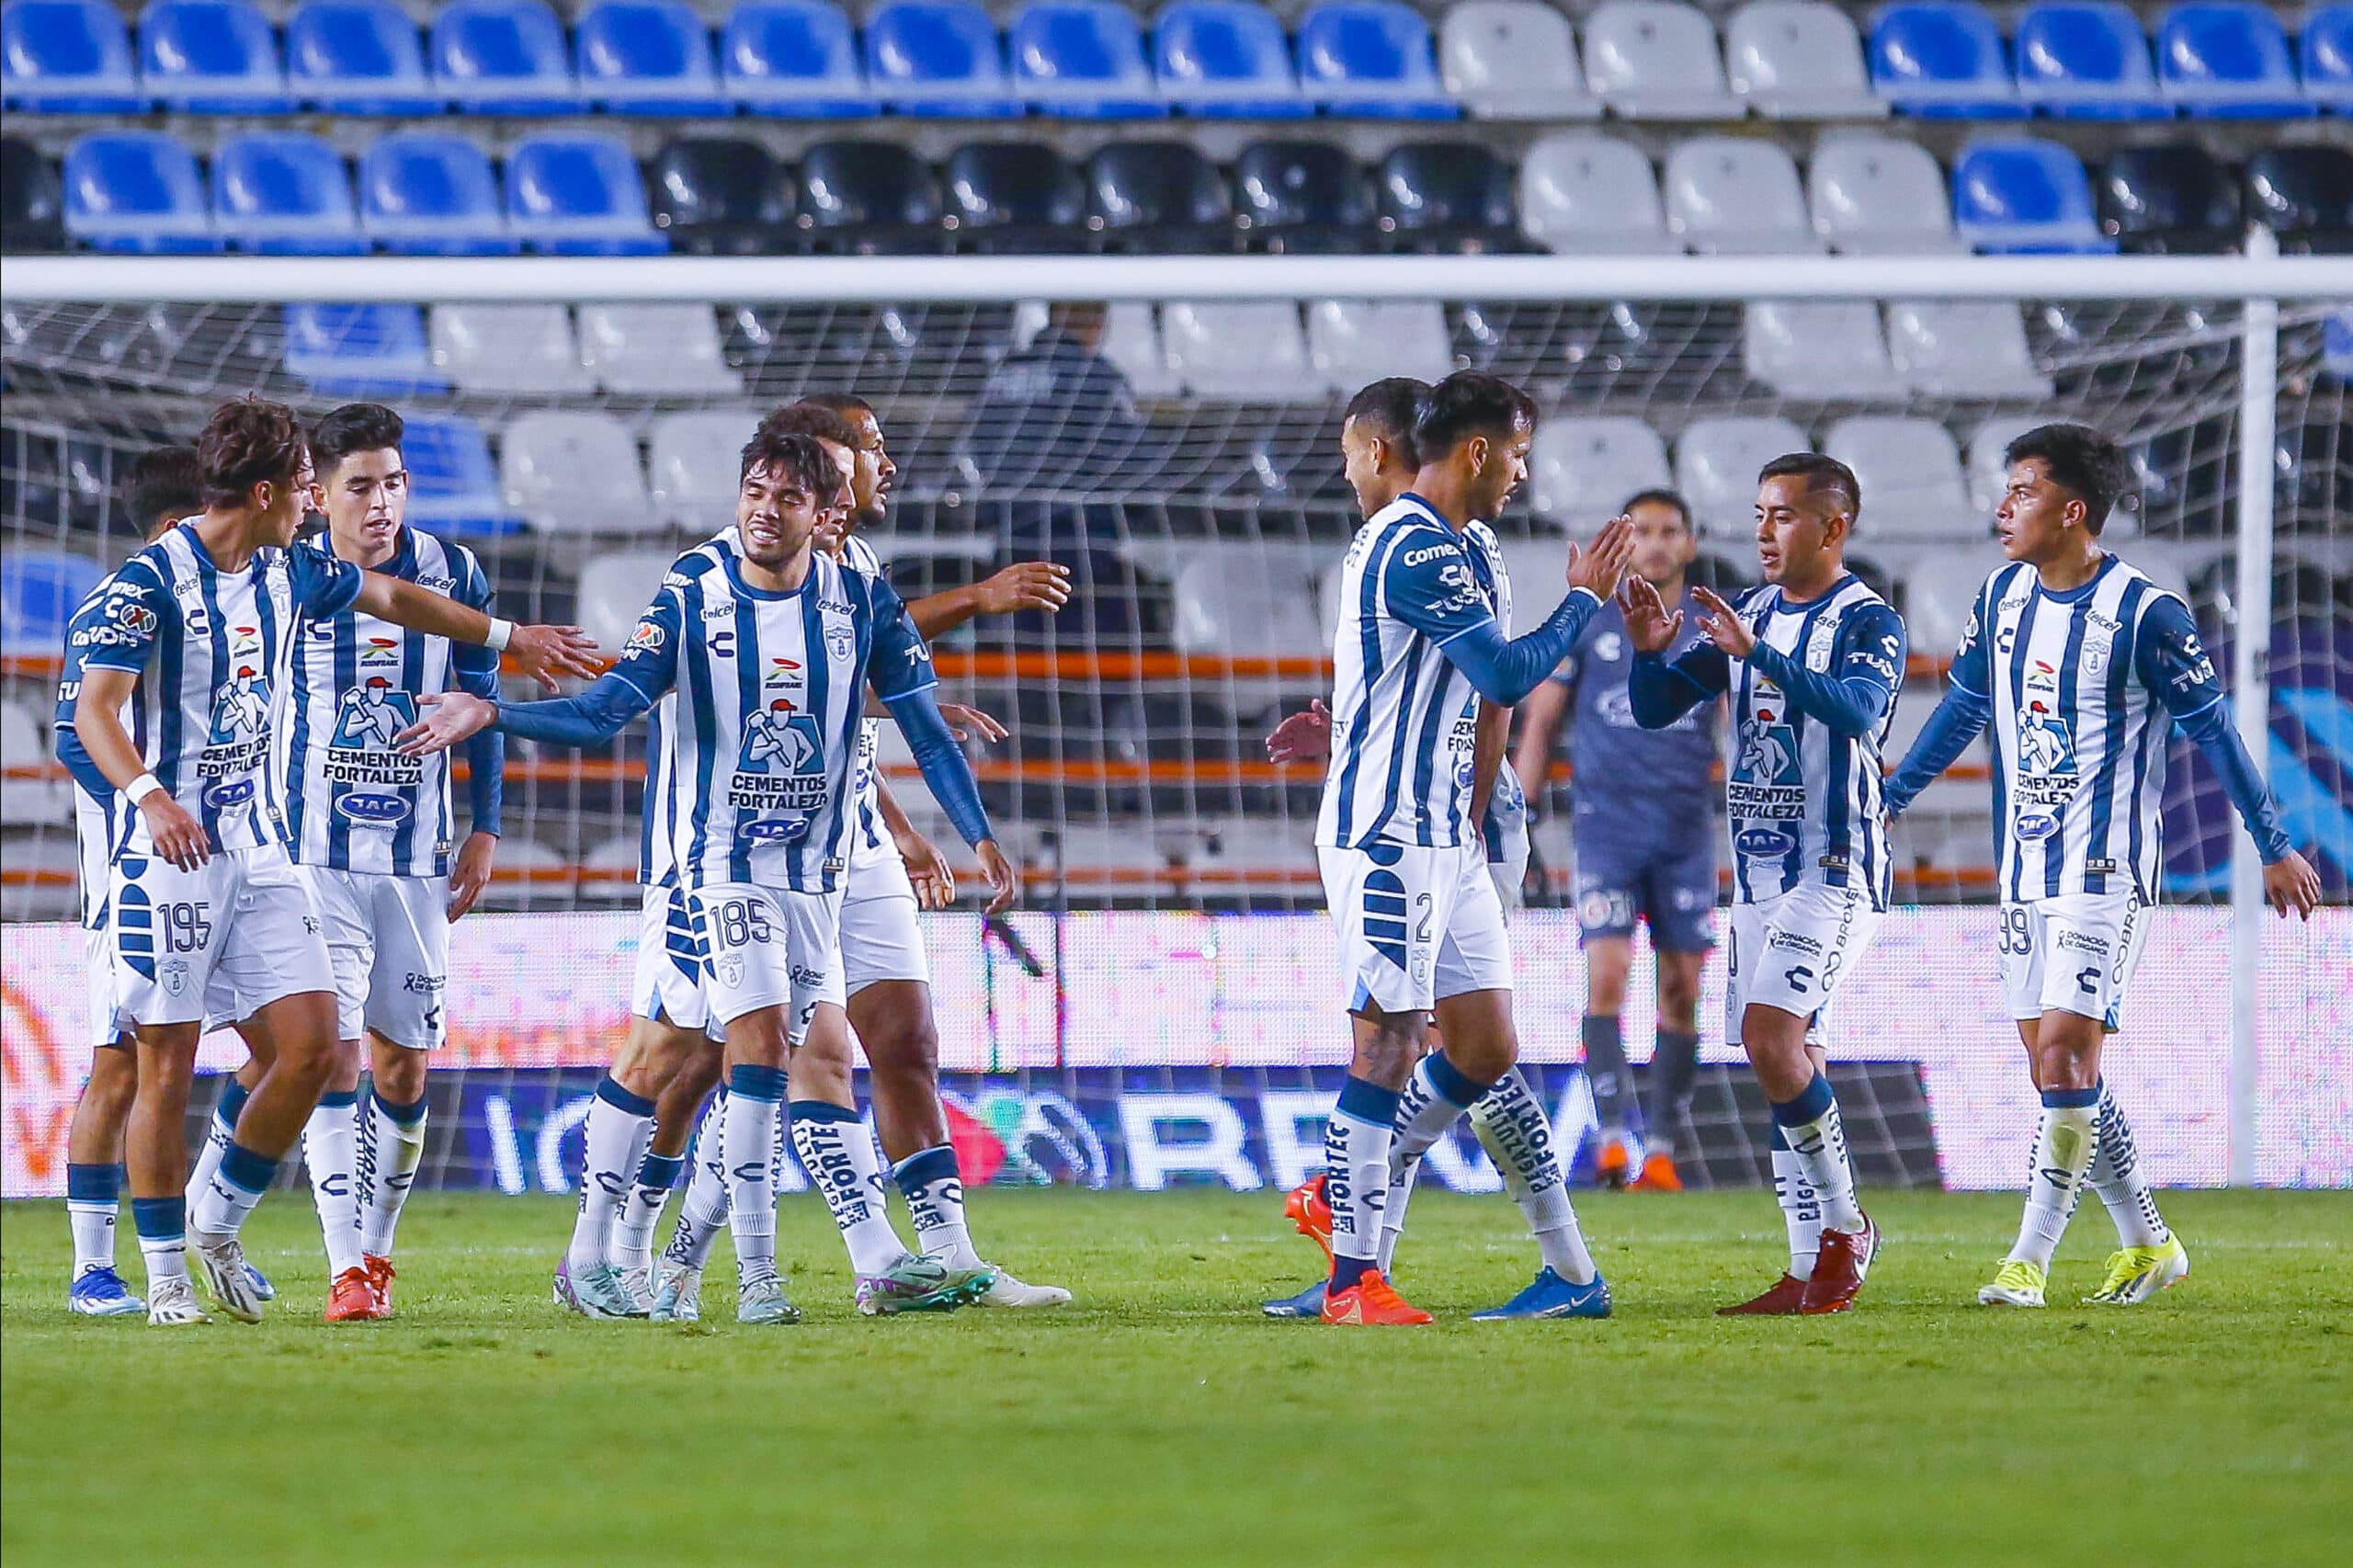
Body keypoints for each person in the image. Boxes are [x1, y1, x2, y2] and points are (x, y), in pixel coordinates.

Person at [396, 429, 1017, 1325]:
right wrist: (493, 710)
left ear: (825, 509)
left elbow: (912, 723)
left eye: (795, 496)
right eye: (755, 491)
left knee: (686, 1053)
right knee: (752, 1049)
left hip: (814, 871)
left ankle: (624, 1255)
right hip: (704, 865)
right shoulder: (698, 589)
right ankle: (760, 1274)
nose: (770, 509)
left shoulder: (859, 597)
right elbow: (611, 706)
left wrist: (972, 833)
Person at [60, 395, 597, 1326]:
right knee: (162, 1068)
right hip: (173, 857)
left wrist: (512, 639)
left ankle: (217, 1221)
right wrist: (150, 797)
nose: (317, 504)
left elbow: (392, 596)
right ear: (268, 491)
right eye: (310, 487)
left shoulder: (290, 571)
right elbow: (91, 714)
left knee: (313, 1052)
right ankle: (166, 1279)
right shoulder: (144, 588)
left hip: (262, 851)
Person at [641, 393, 1076, 1320]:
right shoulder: (741, 578)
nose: (885, 466)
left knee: (906, 1040)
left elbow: (846, 710)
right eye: (870, 450)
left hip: (859, 839)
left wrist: (915, 829)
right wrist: (977, 596)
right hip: (762, 846)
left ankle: (948, 1253)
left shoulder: (861, 567)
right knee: (772, 1058)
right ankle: (720, 1249)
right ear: (826, 476)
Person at [1884, 423, 2321, 1309]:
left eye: (2023, 490)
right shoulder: (2002, 597)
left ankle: (2027, 1263)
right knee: (2058, 1074)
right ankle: (2150, 1242)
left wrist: (2272, 843)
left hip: (2106, 869)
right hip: (2022, 872)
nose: (2004, 506)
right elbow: (1963, 709)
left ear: (2071, 510)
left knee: (2065, 1057)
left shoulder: (2148, 614)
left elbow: (2215, 734)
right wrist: (1890, 798)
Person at [1311, 369, 1633, 1325]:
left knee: (1484, 1046)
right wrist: (1582, 603)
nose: (1524, 475)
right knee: (1388, 1040)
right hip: (1387, 832)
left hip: (1451, 830)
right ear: (1479, 450)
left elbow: (1475, 697)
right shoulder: (1408, 543)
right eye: (1520, 455)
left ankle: (1551, 1272)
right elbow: (1503, 665)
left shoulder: (1471, 545)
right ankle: (1351, 1279)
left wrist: (1493, 816)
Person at [1623, 453, 1904, 1315]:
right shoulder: (1746, 611)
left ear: (1833, 526)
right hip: (1756, 878)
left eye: (1782, 515)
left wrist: (1764, 655)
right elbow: (1656, 706)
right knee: (1776, 1053)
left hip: (1836, 870)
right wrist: (1646, 654)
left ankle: (1848, 1229)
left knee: (1771, 1035)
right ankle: (1805, 1268)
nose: (1763, 531)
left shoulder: (1870, 622)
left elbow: (1858, 713)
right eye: (1759, 514)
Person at [276, 403, 504, 1322]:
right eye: (361, 486)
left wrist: (485, 825)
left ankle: (376, 1248)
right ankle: (344, 1271)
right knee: (331, 1054)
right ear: (318, 493)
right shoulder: (287, 574)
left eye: (395, 482)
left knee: (402, 1065)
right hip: (311, 854)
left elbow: (480, 699)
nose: (382, 503)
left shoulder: (454, 571)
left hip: (415, 861)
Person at [57, 445, 277, 1317]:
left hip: (226, 861)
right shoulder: (123, 604)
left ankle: (199, 1214)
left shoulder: (234, 601)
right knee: (121, 1067)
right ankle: (92, 1266)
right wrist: (153, 797)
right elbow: (78, 735)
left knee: (272, 1047)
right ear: (182, 520)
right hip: (134, 868)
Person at [1509, 489, 1720, 1190]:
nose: (1656, 544)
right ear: (1624, 546)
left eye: (1670, 531)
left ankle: (1659, 1150)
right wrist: (1521, 813)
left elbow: (1743, 721)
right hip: (1605, 829)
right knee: (1607, 977)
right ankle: (1608, 1142)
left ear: (1689, 544)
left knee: (1682, 992)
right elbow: (1539, 723)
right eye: (1643, 532)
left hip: (1687, 829)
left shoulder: (1713, 626)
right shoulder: (1590, 623)